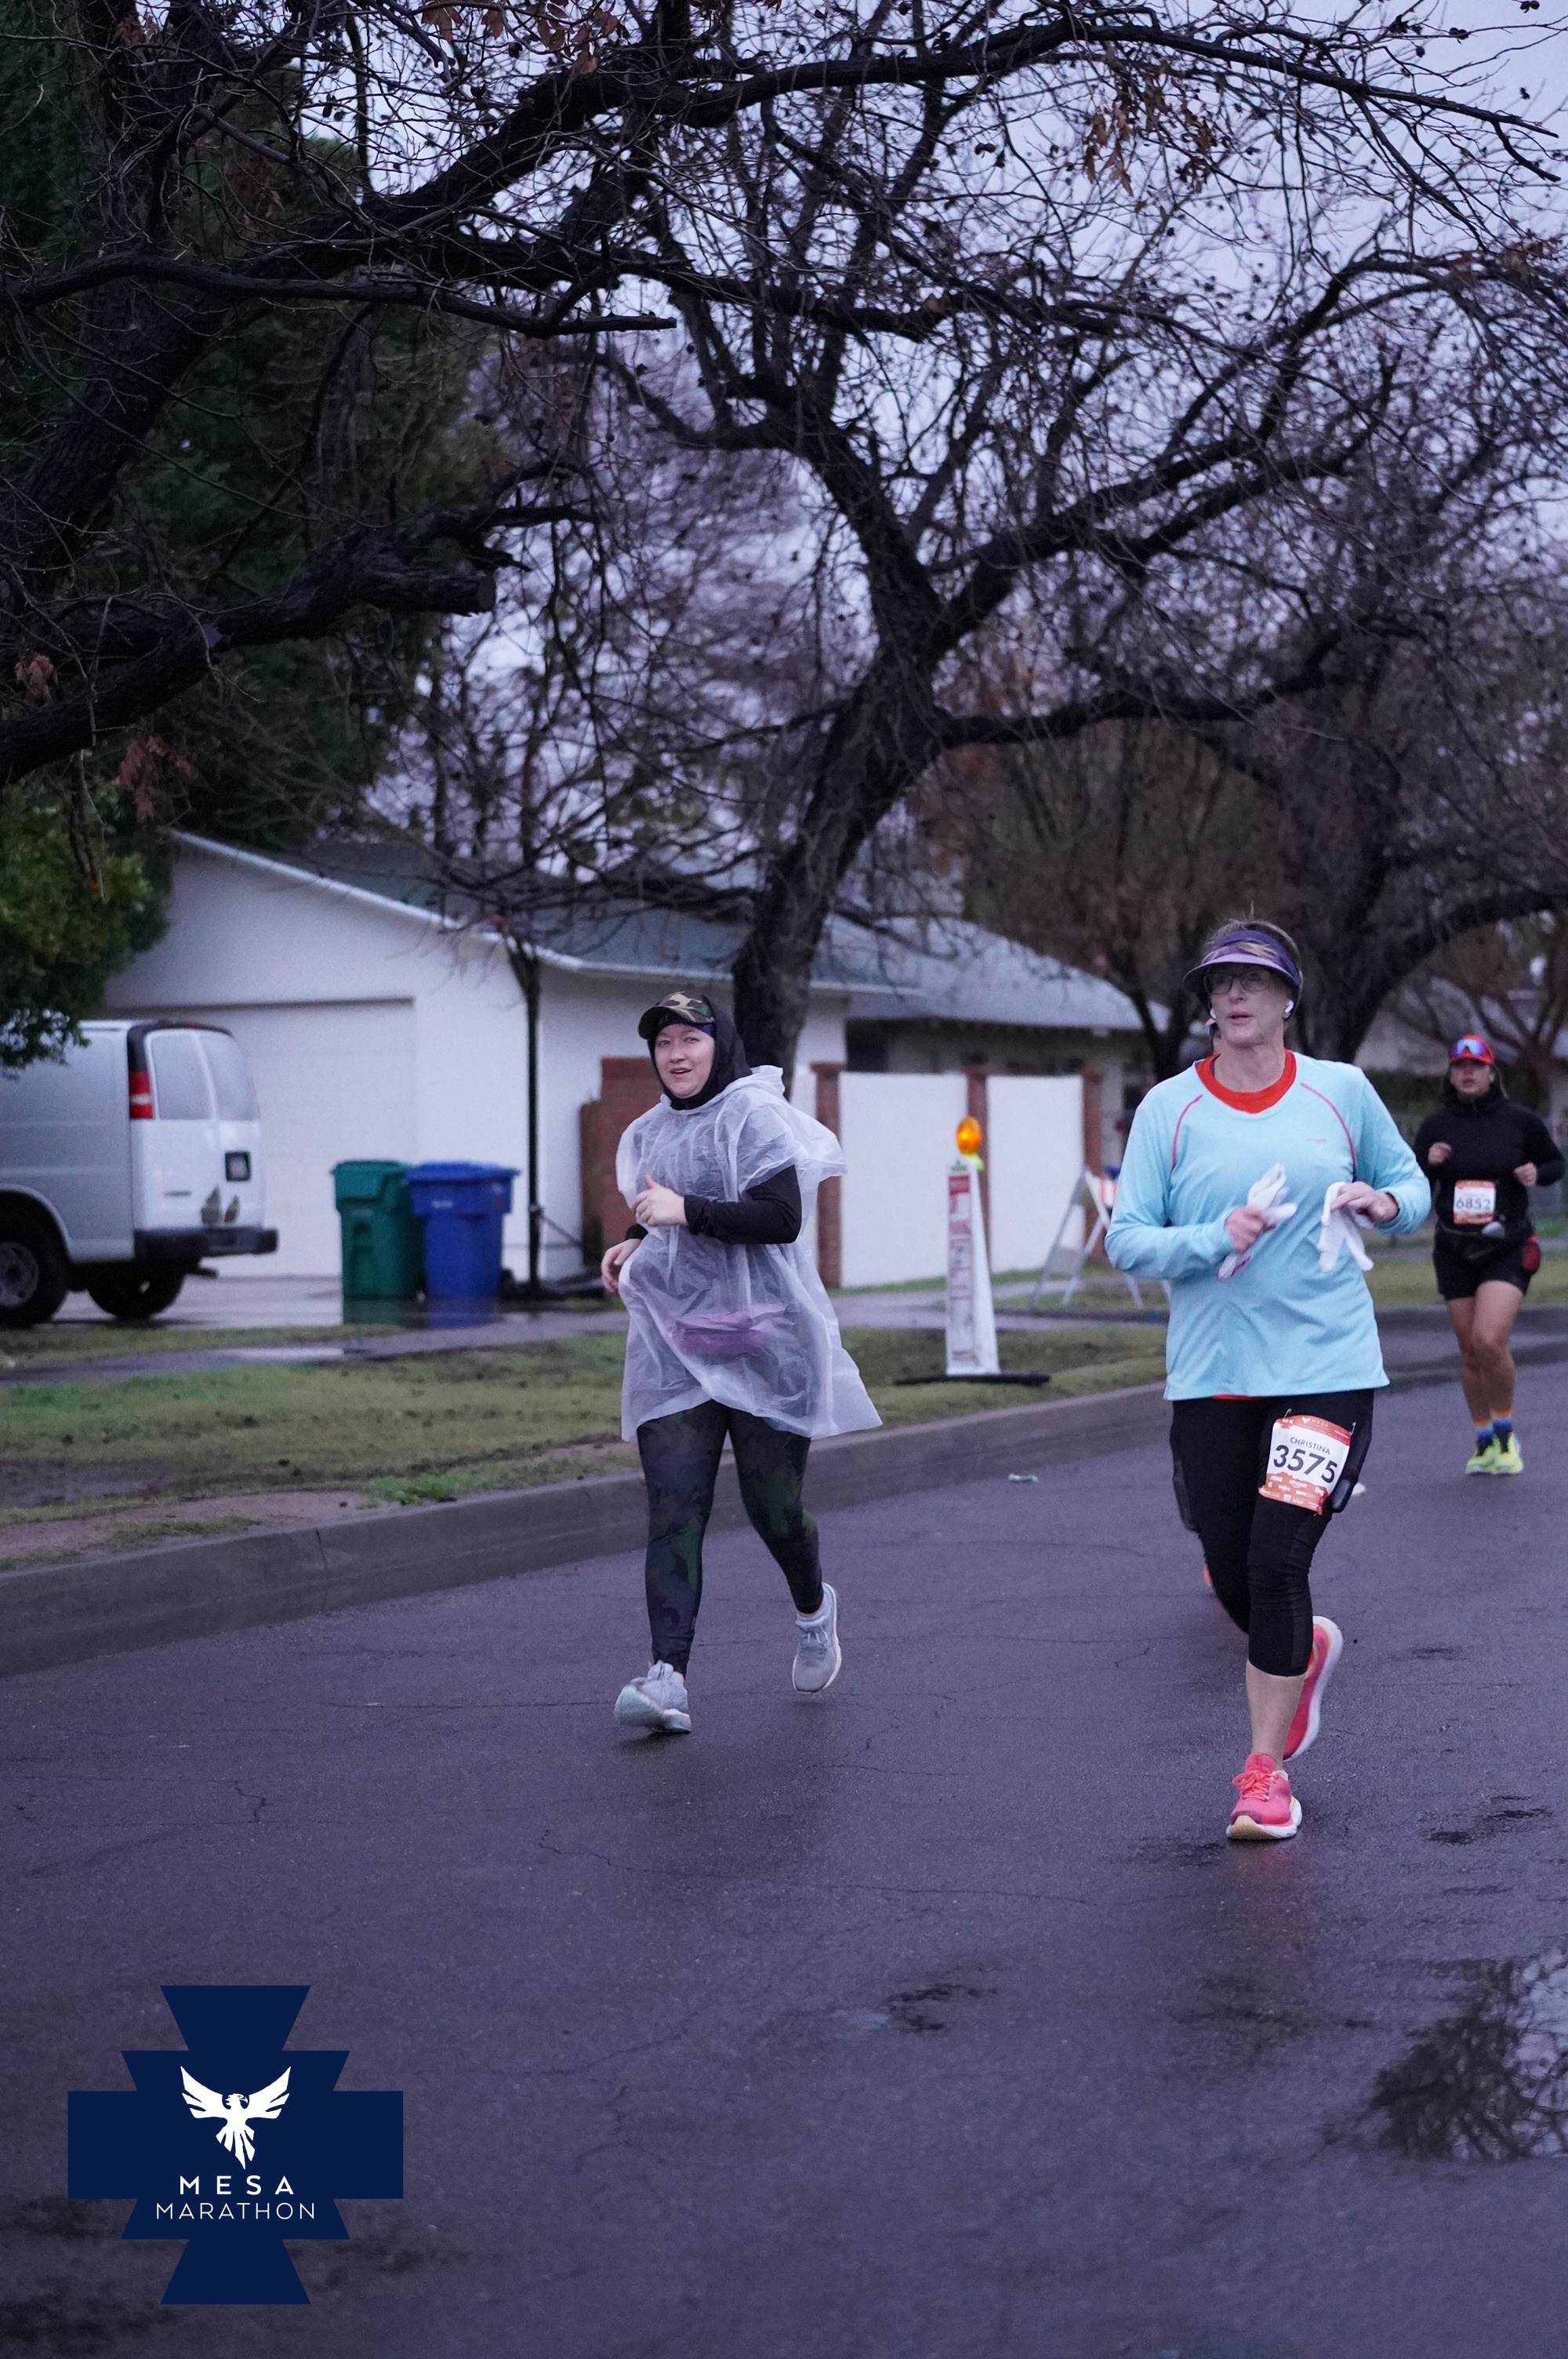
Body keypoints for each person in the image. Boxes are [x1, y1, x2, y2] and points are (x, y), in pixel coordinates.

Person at [1107, 920, 1429, 1842]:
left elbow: (1410, 1188)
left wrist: (1382, 1201)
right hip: (1213, 1374)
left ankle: (1263, 1774)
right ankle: (1303, 1648)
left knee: (1276, 1560)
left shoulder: (1341, 1091)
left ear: (1287, 996)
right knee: (1231, 1568)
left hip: (1325, 1368)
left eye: (1252, 980)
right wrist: (1214, 1237)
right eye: (1220, 982)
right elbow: (1126, 1237)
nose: (1234, 995)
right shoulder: (1168, 1108)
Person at [600, 990, 880, 1734]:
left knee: (773, 1508)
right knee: (674, 1506)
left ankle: (813, 1609)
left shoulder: (752, 1114)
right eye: (663, 1043)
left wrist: (685, 1212)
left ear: (718, 1044)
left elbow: (780, 1216)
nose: (676, 1054)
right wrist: (634, 1238)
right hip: (679, 1346)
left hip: (770, 1344)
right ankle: (667, 1679)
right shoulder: (650, 1131)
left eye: (690, 1039)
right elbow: (660, 1205)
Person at [1413, 1035, 1563, 1477]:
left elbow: (1556, 1165)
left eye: (1476, 1066)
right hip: (1454, 1247)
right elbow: (1412, 1182)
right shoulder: (1437, 1125)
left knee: (1489, 1340)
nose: (1468, 1073)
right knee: (1469, 1350)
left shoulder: (1519, 1120)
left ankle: (1506, 1435)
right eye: (1460, 1066)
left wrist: (1536, 1172)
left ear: (1491, 1072)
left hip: (1508, 1245)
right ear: (1451, 1073)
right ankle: (1483, 1441)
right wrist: (1427, 1162)